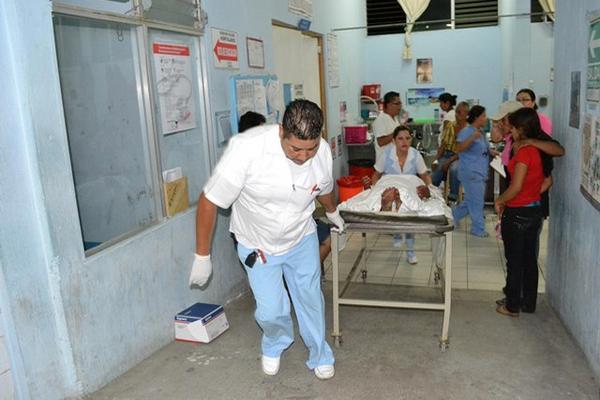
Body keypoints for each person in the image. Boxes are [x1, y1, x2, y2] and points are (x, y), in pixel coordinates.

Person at [189, 99, 344, 380]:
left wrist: (333, 212)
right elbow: (209, 199)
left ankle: (320, 353)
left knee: (310, 298)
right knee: (271, 310)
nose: (302, 157)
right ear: (281, 131)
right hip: (258, 242)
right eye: (295, 148)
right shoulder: (248, 149)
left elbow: (322, 186)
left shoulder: (320, 152)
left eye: (310, 149)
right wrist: (202, 256)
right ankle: (275, 342)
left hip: (300, 236)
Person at [494, 108, 556, 317]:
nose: (509, 131)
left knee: (514, 261)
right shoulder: (537, 150)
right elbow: (546, 181)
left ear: (520, 128)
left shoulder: (524, 153)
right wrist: (530, 196)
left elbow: (516, 186)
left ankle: (512, 306)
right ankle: (528, 303)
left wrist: (500, 200)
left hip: (517, 213)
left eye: (511, 127)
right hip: (534, 211)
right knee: (530, 259)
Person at [370, 125, 431, 264]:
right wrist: (374, 190)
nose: (404, 142)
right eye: (400, 138)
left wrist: (429, 188)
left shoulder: (415, 155)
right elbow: (376, 175)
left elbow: (424, 175)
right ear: (394, 141)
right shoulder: (386, 154)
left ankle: (410, 251)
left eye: (408, 138)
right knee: (393, 208)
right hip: (391, 189)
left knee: (409, 218)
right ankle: (397, 234)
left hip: (409, 190)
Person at [452, 105, 490, 237]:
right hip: (471, 172)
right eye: (484, 116)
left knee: (471, 201)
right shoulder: (467, 132)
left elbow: (481, 149)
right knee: (477, 202)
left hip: (479, 171)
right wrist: (472, 138)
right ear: (477, 117)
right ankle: (478, 228)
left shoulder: (480, 132)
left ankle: (453, 216)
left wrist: (491, 152)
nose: (486, 118)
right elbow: (460, 148)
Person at [432, 101, 469, 201]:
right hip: (447, 153)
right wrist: (436, 160)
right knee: (438, 168)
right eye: (456, 112)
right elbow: (443, 145)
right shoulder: (450, 126)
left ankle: (453, 196)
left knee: (454, 169)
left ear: (467, 115)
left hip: (460, 157)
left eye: (460, 113)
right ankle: (431, 192)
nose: (457, 115)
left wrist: (449, 161)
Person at [372, 91, 402, 159]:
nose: (400, 106)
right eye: (397, 104)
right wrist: (397, 132)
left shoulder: (395, 118)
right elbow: (381, 142)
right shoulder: (381, 120)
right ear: (388, 105)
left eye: (400, 103)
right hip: (385, 163)